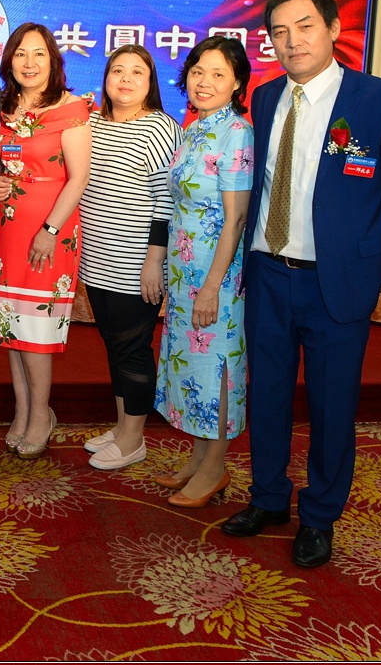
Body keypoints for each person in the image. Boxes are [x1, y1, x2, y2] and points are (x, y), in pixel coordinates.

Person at [221, 0, 381, 568]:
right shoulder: (265, 98)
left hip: (336, 282)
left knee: (331, 404)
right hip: (268, 273)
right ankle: (268, 498)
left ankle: (319, 515)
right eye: (279, 32)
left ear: (335, 29)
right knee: (266, 395)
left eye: (305, 26)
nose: (292, 41)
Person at [153, 37, 254, 508]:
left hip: (217, 276)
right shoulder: (193, 128)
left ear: (237, 83)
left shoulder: (237, 132)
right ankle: (199, 459)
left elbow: (236, 218)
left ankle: (215, 468)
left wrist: (213, 286)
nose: (204, 81)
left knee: (217, 369)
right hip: (184, 272)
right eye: (197, 71)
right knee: (194, 367)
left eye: (218, 73)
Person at [0, 24, 91, 460]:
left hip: (50, 230)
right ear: (10, 60)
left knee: (36, 330)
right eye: (21, 54)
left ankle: (42, 413)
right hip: (7, 227)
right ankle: (23, 409)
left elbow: (79, 178)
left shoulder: (72, 108)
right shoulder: (2, 107)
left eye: (39, 54)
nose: (29, 63)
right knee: (12, 325)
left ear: (53, 60)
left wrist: (49, 230)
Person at [78, 45, 180, 472]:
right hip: (96, 258)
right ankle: (122, 427)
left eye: (137, 72)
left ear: (150, 82)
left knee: (133, 349)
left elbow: (166, 201)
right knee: (114, 346)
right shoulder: (92, 123)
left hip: (136, 263)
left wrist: (154, 261)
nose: (125, 79)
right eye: (117, 70)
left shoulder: (159, 127)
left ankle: (134, 439)